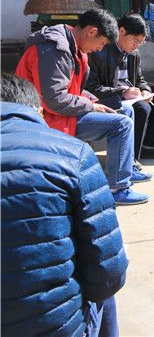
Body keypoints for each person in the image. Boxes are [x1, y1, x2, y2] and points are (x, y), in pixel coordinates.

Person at [1, 72, 128, 336]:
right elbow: (108, 273)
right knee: (103, 278)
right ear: (38, 111)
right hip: (55, 325)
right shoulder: (74, 155)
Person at [15, 8, 149, 205]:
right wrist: (91, 106)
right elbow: (54, 100)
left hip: (63, 112)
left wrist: (93, 102)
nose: (100, 49)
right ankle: (117, 188)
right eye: (101, 43)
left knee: (126, 110)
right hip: (45, 117)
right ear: (92, 32)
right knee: (122, 124)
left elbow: (75, 90)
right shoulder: (54, 49)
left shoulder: (74, 46)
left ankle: (124, 170)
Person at [86, 14, 154, 160]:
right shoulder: (100, 51)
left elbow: (139, 79)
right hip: (109, 98)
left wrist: (145, 90)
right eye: (135, 40)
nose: (136, 45)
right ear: (121, 31)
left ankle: (151, 146)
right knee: (141, 108)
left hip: (131, 97)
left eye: (140, 42)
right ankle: (130, 156)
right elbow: (92, 88)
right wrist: (122, 92)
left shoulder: (133, 54)